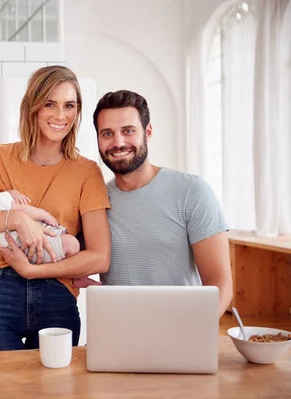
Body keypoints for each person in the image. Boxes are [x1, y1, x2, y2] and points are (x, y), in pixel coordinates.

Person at [0, 65, 111, 352]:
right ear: (32, 107)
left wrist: (32, 271)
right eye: (50, 104)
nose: (60, 115)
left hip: (57, 291)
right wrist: (17, 219)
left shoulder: (87, 172)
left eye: (69, 105)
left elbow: (99, 258)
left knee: (53, 391)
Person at [91, 89, 233, 316]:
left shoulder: (192, 191)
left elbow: (220, 283)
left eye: (128, 131)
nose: (118, 142)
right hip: (117, 332)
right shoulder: (95, 201)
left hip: (182, 329)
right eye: (107, 133)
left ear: (147, 132)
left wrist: (194, 330)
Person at [0, 172, 101, 286]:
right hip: (32, 248)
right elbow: (22, 210)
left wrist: (11, 193)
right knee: (73, 244)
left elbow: (2, 202)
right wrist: (44, 215)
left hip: (17, 255)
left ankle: (77, 276)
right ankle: (77, 276)